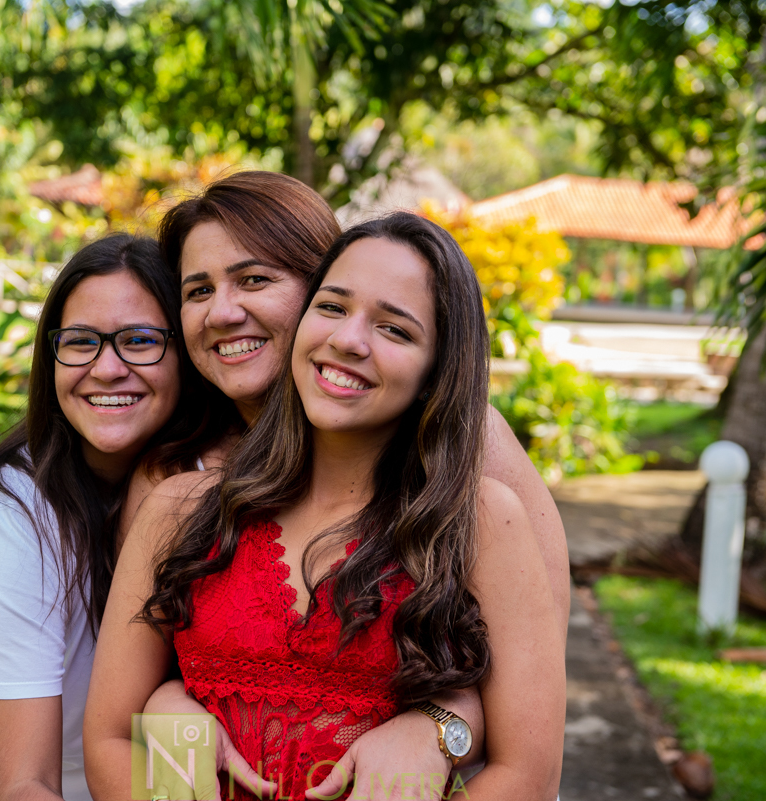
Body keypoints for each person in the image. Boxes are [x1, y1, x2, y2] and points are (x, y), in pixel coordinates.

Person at [84, 213, 565, 800]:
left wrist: (439, 728)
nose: (347, 340)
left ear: (437, 369)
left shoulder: (482, 521)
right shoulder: (179, 510)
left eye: (395, 330)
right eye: (332, 308)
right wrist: (166, 715)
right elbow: (110, 736)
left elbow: (529, 775)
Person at [0, 234, 222, 801]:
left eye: (139, 340)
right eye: (81, 342)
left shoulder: (199, 484)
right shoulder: (17, 512)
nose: (107, 369)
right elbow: (22, 785)